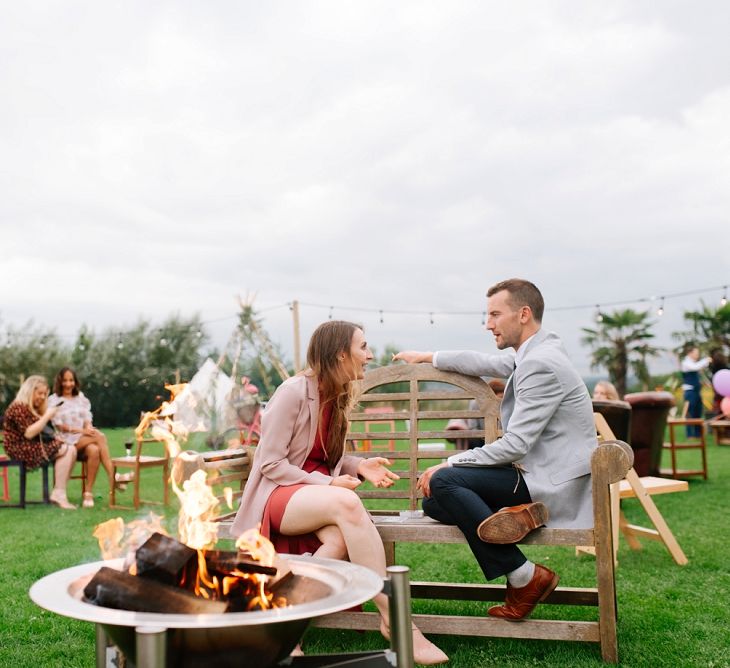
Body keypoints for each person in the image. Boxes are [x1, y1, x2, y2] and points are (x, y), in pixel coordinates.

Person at [231, 321, 448, 664]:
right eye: (363, 347)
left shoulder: (338, 395)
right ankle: (396, 619)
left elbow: (319, 457)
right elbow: (272, 463)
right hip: (276, 496)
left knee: (339, 540)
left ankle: (284, 627)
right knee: (348, 503)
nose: (370, 355)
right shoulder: (292, 392)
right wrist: (331, 484)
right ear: (340, 354)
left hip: (309, 495)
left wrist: (357, 466)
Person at [393, 278, 597, 621]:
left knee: (444, 484)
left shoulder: (541, 363)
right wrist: (429, 356)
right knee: (434, 502)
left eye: (494, 314)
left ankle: (525, 576)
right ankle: (514, 519)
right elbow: (484, 363)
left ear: (523, 314)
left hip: (550, 482)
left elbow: (516, 444)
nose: (488, 324)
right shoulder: (538, 352)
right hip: (534, 473)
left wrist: (448, 462)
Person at [2, 375, 78, 509]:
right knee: (67, 449)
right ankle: (58, 493)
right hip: (19, 449)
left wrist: (55, 435)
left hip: (29, 446)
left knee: (71, 449)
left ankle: (59, 492)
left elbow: (42, 433)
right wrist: (47, 415)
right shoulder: (18, 407)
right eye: (40, 393)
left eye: (45, 394)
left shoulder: (31, 408)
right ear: (30, 391)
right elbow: (29, 433)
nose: (43, 397)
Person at [49, 367, 119, 508]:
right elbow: (60, 426)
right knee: (100, 436)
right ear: (59, 382)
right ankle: (114, 477)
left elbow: (87, 418)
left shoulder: (80, 398)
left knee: (94, 449)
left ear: (75, 382)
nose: (68, 384)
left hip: (83, 439)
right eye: (65, 381)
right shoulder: (54, 400)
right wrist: (83, 430)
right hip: (66, 441)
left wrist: (88, 428)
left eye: (71, 380)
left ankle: (88, 493)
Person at [680, 346, 711, 437]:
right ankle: (690, 434)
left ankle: (698, 434)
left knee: (698, 412)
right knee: (690, 413)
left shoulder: (694, 363)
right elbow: (695, 367)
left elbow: (699, 369)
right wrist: (706, 360)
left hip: (697, 391)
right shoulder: (686, 363)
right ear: (690, 353)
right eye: (696, 353)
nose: (698, 355)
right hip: (690, 392)